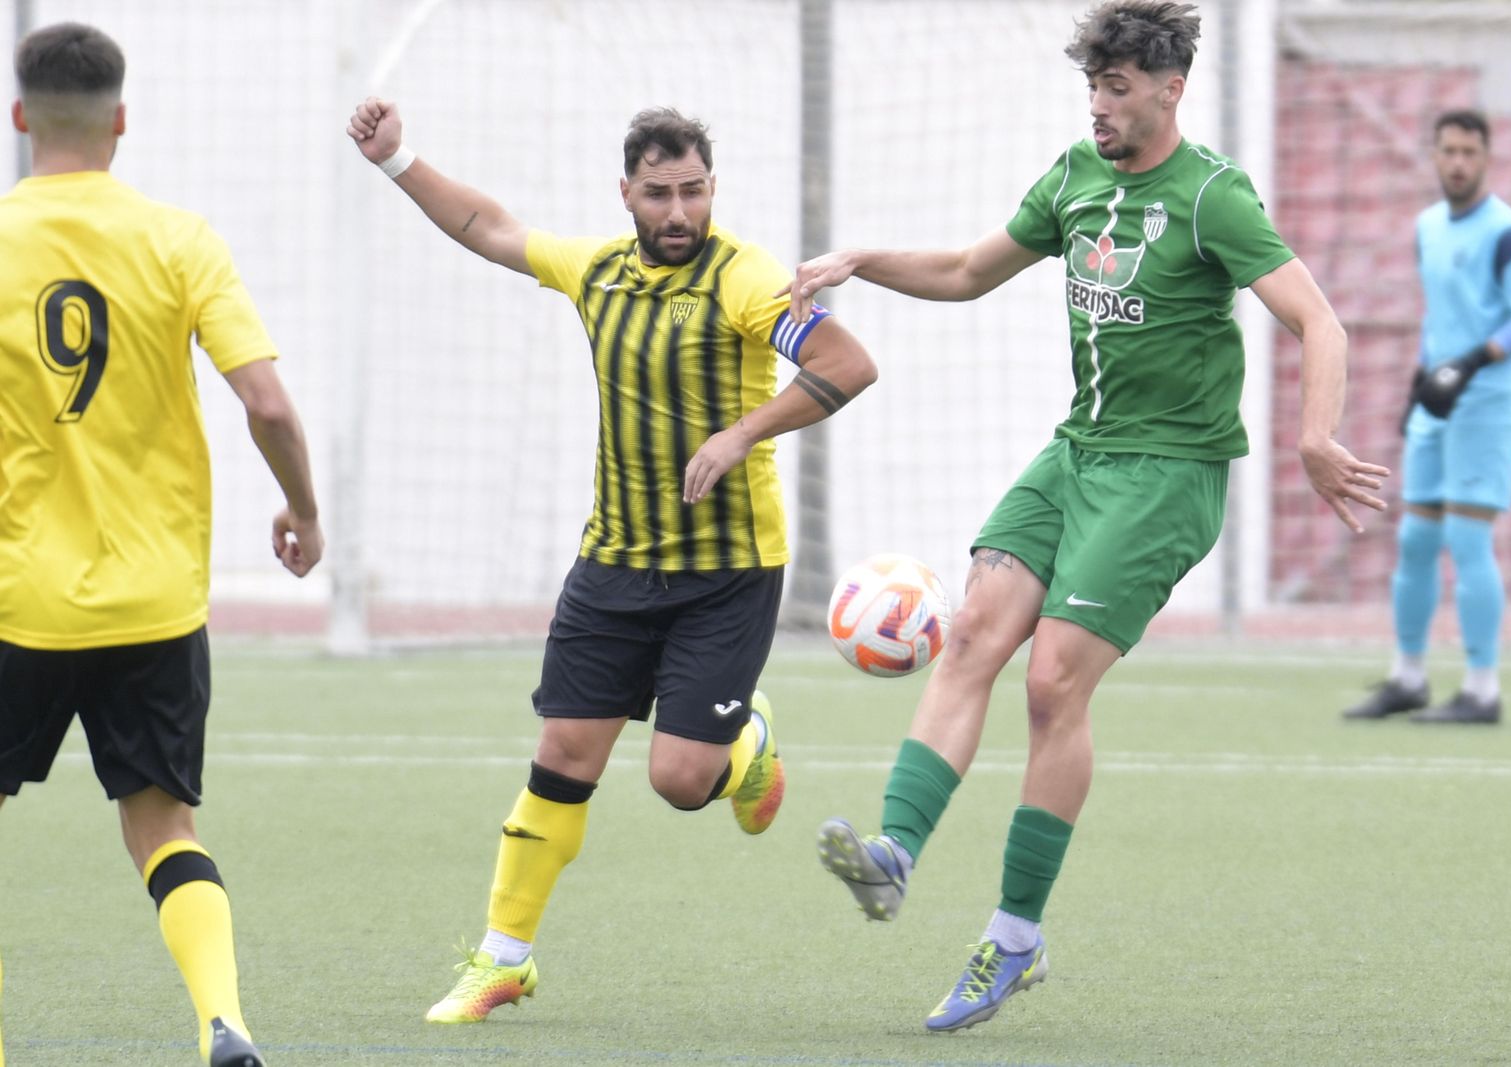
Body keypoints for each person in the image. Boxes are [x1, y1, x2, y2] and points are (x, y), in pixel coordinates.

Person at [785, 0, 1388, 1033]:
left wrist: (1313, 436)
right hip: (1077, 452)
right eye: (1092, 87)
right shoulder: (1073, 178)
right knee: (971, 629)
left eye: (1117, 89)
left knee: (1053, 675)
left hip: (1169, 473)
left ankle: (1014, 934)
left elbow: (1315, 318)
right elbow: (970, 272)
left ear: (1169, 90)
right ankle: (892, 852)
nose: (1101, 107)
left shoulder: (1212, 197)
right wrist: (860, 261)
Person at [345, 97, 877, 1024]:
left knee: (678, 782)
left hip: (727, 572)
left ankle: (744, 737)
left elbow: (847, 361)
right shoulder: (596, 271)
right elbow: (491, 227)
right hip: (614, 562)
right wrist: (398, 162)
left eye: (696, 192)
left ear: (714, 189)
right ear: (626, 193)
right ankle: (503, 957)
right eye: (661, 194)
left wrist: (738, 435)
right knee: (562, 752)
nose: (680, 213)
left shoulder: (746, 280)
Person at [0, 22, 323, 1067]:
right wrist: (302, 507)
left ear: (19, 119)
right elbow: (266, 399)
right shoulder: (180, 239)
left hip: (17, 600)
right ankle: (222, 1019)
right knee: (164, 826)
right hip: (154, 601)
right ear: (121, 122)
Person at [1341, 109, 1511, 726]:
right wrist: (1420, 380)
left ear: (1487, 158)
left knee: (1467, 539)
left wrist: (1471, 362)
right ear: (1433, 155)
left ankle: (1482, 690)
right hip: (1439, 398)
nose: (1458, 162)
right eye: (1448, 151)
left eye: (1469, 152)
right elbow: (1441, 315)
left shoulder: (1507, 231)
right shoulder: (1428, 227)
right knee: (1415, 540)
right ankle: (1409, 678)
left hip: (1489, 402)